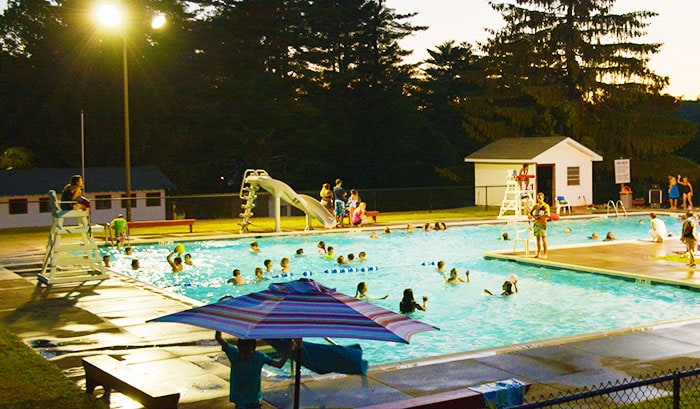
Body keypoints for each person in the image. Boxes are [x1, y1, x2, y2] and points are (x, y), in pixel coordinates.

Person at [215, 331, 293, 409]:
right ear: (239, 348)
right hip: (241, 401)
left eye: (248, 352)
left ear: (253, 349)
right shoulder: (235, 354)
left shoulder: (259, 357)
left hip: (254, 400)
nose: (246, 355)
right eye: (243, 352)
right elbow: (219, 338)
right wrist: (218, 327)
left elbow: (279, 365)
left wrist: (290, 351)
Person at [529, 192, 550, 258]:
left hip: (543, 224)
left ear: (543, 198)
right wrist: (534, 217)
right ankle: (538, 253)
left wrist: (542, 216)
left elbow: (547, 214)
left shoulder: (546, 206)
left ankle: (545, 254)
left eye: (540, 198)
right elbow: (531, 213)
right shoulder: (536, 206)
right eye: (538, 198)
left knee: (544, 239)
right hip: (536, 224)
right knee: (537, 239)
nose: (539, 200)